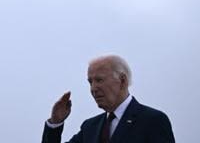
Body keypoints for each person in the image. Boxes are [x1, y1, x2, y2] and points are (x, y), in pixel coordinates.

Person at [42, 54, 175, 143]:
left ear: (122, 81)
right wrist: (55, 123)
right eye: (90, 82)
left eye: (99, 80)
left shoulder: (153, 121)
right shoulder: (90, 127)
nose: (93, 88)